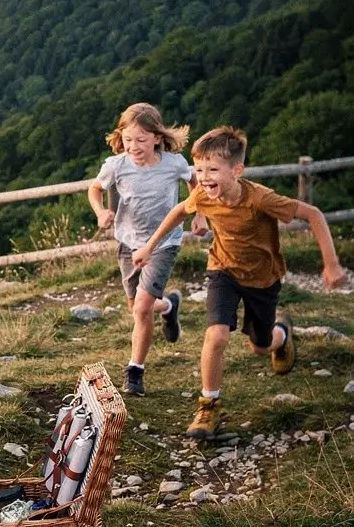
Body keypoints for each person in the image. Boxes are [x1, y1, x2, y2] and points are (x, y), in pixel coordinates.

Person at [133, 125, 347, 438]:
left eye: (213, 170)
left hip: (262, 278)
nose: (204, 177)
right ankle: (209, 406)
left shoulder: (260, 199)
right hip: (223, 271)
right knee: (216, 335)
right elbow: (179, 211)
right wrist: (149, 247)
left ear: (237, 170)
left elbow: (313, 214)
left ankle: (281, 334)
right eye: (200, 169)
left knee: (260, 347)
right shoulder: (203, 195)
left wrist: (331, 264)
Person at [88, 102, 194, 397]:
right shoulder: (116, 165)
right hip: (128, 243)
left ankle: (135, 372)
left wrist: (200, 214)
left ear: (157, 138)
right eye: (128, 139)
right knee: (137, 309)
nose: (133, 146)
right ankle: (169, 307)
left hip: (164, 243)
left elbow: (195, 182)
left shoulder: (173, 163)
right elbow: (94, 189)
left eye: (141, 140)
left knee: (142, 308)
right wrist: (100, 212)